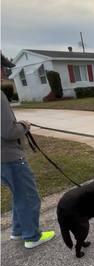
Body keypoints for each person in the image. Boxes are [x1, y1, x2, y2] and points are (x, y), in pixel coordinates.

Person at [1, 90, 55, 248]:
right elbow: (9, 131)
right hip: (10, 157)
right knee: (29, 196)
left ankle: (18, 231)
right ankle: (32, 236)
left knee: (19, 194)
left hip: (2, 159)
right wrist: (24, 125)